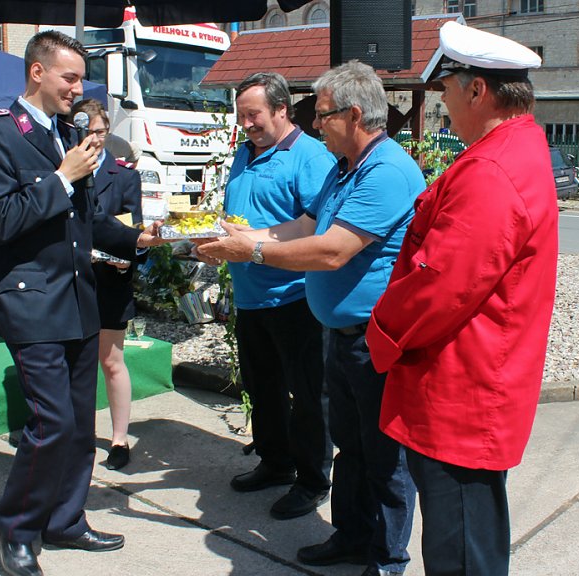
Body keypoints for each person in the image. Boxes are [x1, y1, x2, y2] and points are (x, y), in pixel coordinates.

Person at [198, 60, 424, 576]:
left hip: (374, 340)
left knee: (384, 458)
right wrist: (235, 242)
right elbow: (301, 225)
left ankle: (387, 560)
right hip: (342, 336)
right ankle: (350, 537)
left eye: (322, 115)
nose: (315, 123)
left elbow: (331, 251)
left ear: (355, 113)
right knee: (350, 447)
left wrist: (248, 253)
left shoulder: (386, 170)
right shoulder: (347, 167)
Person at [0, 30, 166, 576]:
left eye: (81, 79)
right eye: (70, 78)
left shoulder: (65, 133)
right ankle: (18, 531)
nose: (78, 90)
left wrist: (138, 240)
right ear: (37, 73)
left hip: (80, 298)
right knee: (52, 421)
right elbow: (2, 220)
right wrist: (62, 176)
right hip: (32, 303)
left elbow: (86, 224)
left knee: (79, 423)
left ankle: (66, 519)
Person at [366, 21, 558, 576]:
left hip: (461, 391)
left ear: (478, 90)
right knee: (465, 537)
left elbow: (440, 283)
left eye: (447, 90)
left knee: (462, 548)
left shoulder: (492, 170)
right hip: (471, 379)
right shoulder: (510, 150)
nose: (444, 103)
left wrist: (382, 330)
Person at [196, 72, 336, 519]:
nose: (247, 124)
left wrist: (249, 245)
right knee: (264, 390)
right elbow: (239, 217)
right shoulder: (245, 153)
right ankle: (276, 464)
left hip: (295, 296)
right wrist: (217, 243)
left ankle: (313, 480)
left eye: (254, 115)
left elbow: (314, 226)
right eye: (241, 116)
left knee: (308, 396)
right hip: (251, 296)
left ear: (281, 110)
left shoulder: (310, 156)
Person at [71, 98, 143, 471]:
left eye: (100, 131)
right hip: (70, 282)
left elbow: (136, 233)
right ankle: (75, 436)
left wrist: (124, 258)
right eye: (87, 131)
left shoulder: (125, 176)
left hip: (110, 281)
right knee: (74, 362)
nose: (94, 138)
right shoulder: (63, 169)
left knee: (111, 361)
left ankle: (119, 439)